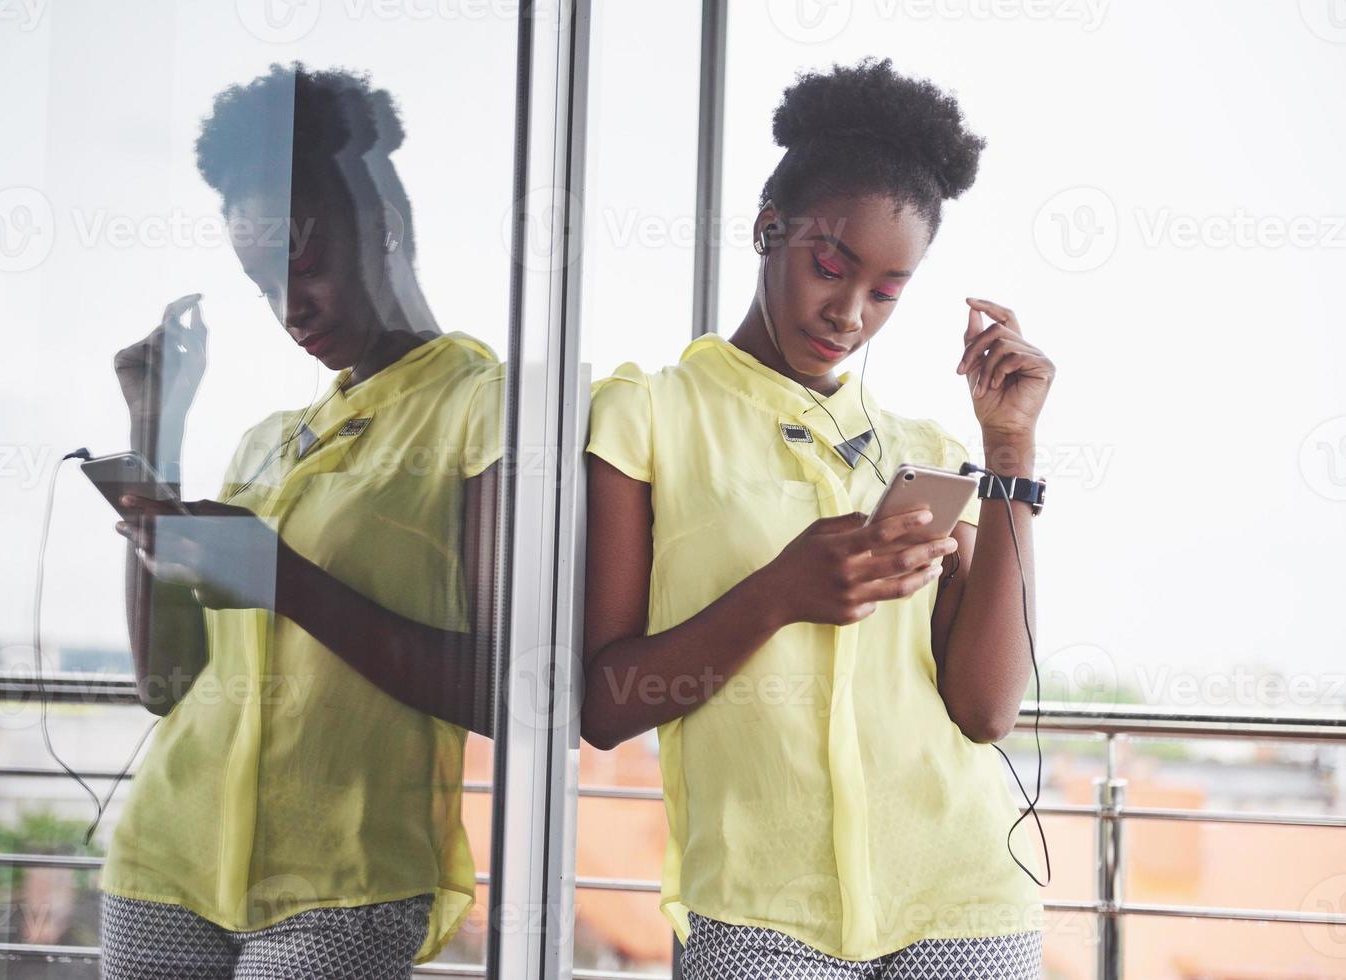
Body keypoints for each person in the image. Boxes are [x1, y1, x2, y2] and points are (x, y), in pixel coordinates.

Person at [581, 57, 1056, 978]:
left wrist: (1009, 454)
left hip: (963, 903)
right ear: (770, 230)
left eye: (886, 290)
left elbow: (987, 709)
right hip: (757, 918)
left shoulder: (916, 447)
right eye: (829, 266)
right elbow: (606, 706)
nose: (848, 312)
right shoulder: (645, 415)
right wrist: (778, 595)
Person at [98, 62, 504, 979]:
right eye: (258, 279)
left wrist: (282, 578)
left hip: (349, 885)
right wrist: (155, 432)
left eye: (304, 262)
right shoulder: (266, 445)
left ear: (387, 226)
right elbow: (165, 682)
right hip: (166, 858)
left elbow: (502, 692)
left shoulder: (492, 410)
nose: (288, 308)